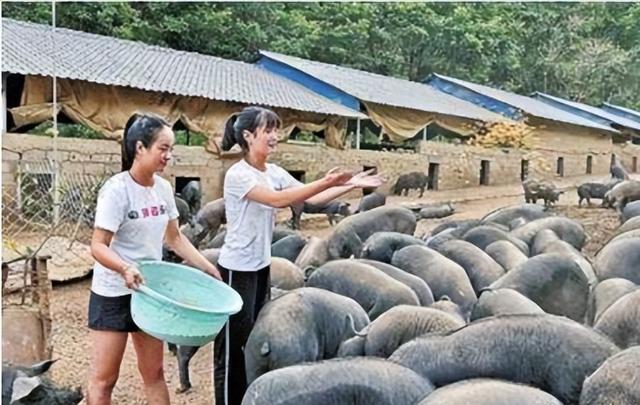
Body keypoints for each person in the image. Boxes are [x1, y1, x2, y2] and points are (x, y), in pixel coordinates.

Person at [213, 106, 384, 405]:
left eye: (275, 130)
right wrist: (328, 180)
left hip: (260, 268)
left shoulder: (274, 172)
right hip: (235, 271)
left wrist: (349, 186)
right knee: (231, 347)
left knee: (254, 340)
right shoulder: (238, 175)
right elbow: (279, 200)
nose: (274, 136)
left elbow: (312, 199)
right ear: (248, 136)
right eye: (268, 130)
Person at [87, 112, 222, 405]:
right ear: (140, 147)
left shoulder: (162, 189)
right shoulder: (116, 190)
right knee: (105, 379)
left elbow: (174, 238)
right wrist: (124, 267)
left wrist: (206, 265)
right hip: (113, 291)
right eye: (163, 148)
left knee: (155, 372)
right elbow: (98, 246)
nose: (168, 156)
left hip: (150, 293)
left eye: (170, 149)